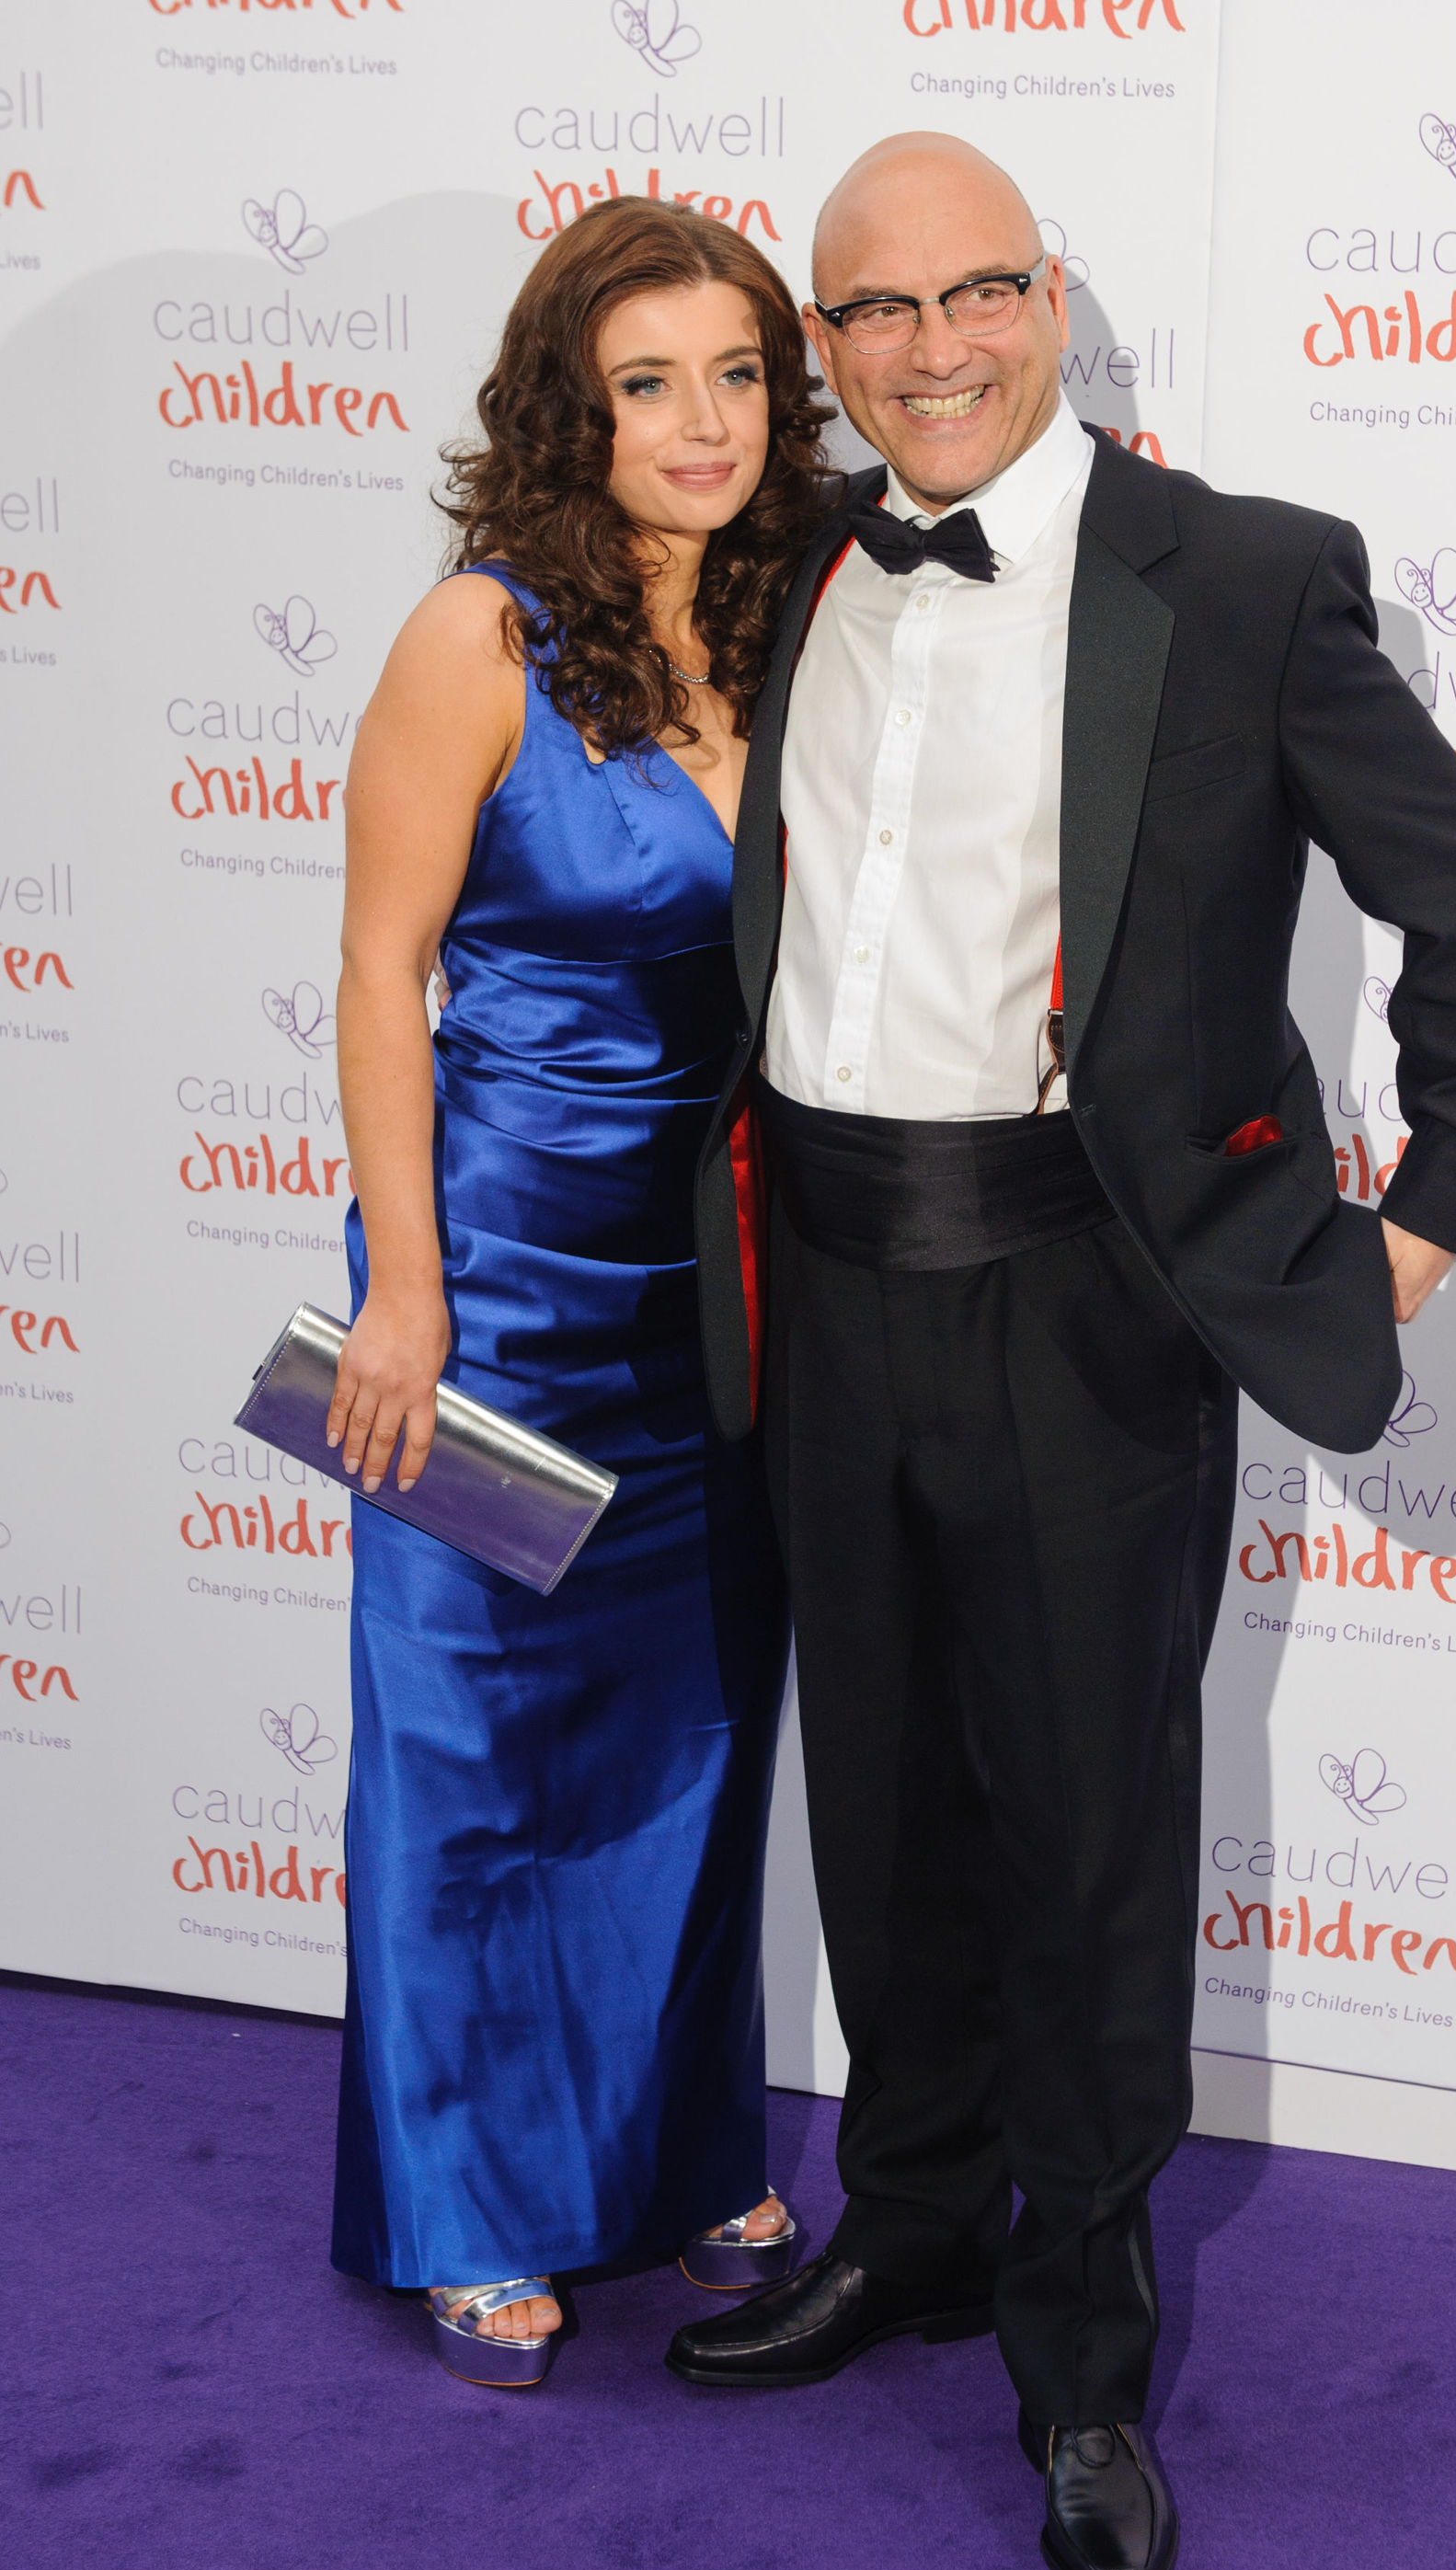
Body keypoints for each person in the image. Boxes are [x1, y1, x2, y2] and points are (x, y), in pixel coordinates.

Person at [666, 135, 1456, 2570]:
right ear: (819, 346)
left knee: (1084, 1827)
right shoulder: (785, 562)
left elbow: (1453, 899)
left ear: (1054, 300)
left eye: (978, 295)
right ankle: (912, 2225)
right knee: (891, 1821)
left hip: (1086, 1295)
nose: (932, 350)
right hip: (822, 1278)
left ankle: (1080, 2331)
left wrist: (1438, 1214)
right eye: (873, 313)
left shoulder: (1239, 572)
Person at [325, 199, 831, 2386]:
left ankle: (676, 2140)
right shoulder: (482, 634)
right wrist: (407, 1290)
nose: (703, 423)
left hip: (722, 1292)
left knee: (695, 1745)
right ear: (573, 405)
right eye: (651, 382)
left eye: (737, 375)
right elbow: (376, 969)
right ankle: (462, 2197)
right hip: (501, 1283)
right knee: (467, 1754)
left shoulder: (807, 618)